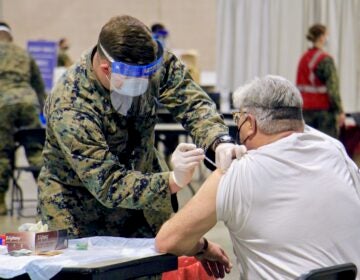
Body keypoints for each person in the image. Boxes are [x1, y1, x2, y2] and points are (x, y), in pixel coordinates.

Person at [37, 15, 241, 239]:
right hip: (77, 208)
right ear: (106, 69)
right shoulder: (71, 105)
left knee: (150, 265)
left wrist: (219, 140)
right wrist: (173, 181)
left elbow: (192, 102)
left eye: (149, 74)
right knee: (93, 270)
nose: (145, 82)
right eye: (136, 78)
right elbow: (107, 184)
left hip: (143, 194)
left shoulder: (148, 62)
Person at [156, 75, 360, 279]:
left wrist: (203, 246)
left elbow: (168, 241)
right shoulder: (335, 151)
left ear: (250, 123)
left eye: (239, 119)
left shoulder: (237, 172)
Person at [0, 21, 46, 215]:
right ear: (10, 36)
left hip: (2, 104)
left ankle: (0, 204)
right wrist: (42, 110)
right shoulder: (24, 54)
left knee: (1, 154)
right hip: (28, 103)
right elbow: (38, 84)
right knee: (36, 151)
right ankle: (47, 199)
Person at [296, 23, 345, 138]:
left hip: (306, 111)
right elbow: (333, 89)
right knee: (326, 145)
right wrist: (340, 110)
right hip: (323, 113)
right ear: (322, 37)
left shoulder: (303, 58)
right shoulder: (325, 60)